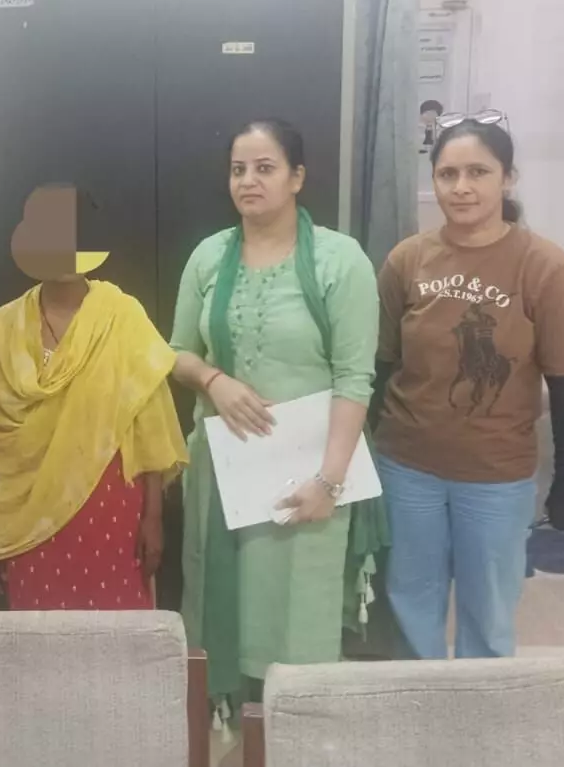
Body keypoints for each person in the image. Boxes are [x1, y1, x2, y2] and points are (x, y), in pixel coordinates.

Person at [168, 119, 386, 706]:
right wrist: (214, 381)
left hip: (308, 477)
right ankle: (228, 721)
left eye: (265, 168)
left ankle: (295, 728)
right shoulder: (209, 256)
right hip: (224, 472)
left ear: (297, 178)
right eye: (238, 169)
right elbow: (175, 351)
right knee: (221, 600)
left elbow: (355, 378)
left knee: (297, 615)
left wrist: (329, 482)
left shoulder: (340, 260)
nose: (249, 181)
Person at [373, 118, 564, 660]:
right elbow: (381, 366)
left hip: (495, 475)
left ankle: (481, 705)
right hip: (407, 466)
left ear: (508, 178)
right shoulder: (406, 260)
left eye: (478, 172)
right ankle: (415, 698)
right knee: (409, 599)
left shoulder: (545, 266)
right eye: (447, 174)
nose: (462, 187)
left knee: (489, 610)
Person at [0, 184, 187, 608]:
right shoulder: (2, 328)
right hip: (27, 514)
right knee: (39, 635)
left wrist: (153, 517)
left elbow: (150, 426)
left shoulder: (122, 316)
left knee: (116, 632)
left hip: (110, 507)